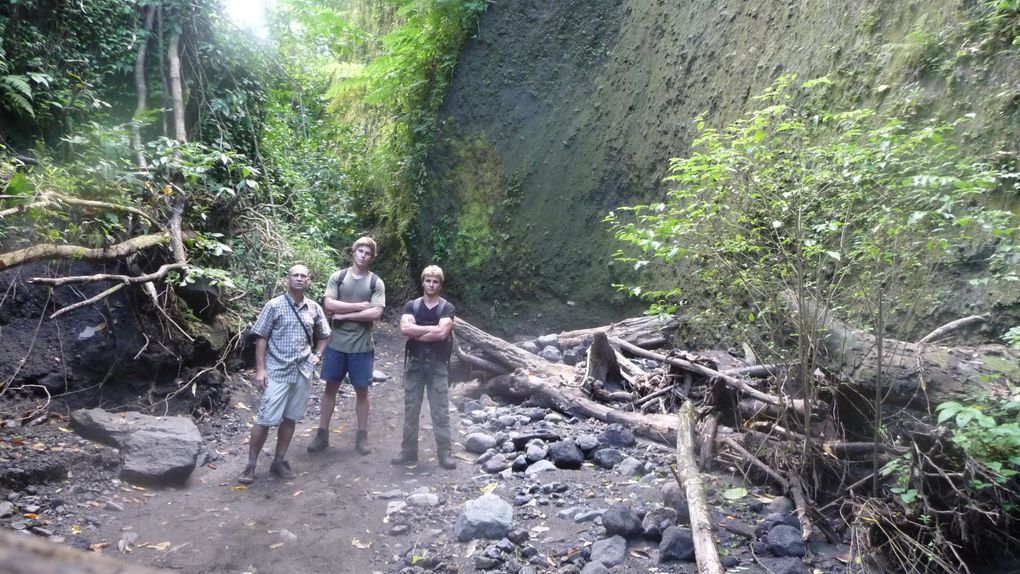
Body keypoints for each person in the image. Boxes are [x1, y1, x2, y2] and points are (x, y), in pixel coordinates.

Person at [238, 264, 330, 484]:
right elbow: (261, 338)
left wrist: (317, 355)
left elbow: (325, 334)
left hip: (303, 372)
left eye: (303, 276)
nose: (299, 279)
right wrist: (261, 369)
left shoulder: (314, 308)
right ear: (287, 279)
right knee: (265, 419)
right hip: (277, 371)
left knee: (290, 418)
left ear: (309, 281)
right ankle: (250, 465)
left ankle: (279, 461)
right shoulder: (274, 305)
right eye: (295, 275)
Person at [307, 236, 385, 456]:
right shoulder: (339, 277)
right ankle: (321, 434)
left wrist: (345, 314)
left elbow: (377, 312)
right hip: (336, 344)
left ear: (371, 257)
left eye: (367, 253)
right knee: (330, 388)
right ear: (353, 252)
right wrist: (359, 308)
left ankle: (362, 437)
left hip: (362, 346)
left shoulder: (375, 282)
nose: (362, 255)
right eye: (360, 251)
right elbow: (329, 304)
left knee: (362, 391)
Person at [391, 265, 457, 469]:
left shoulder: (447, 308)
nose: (431, 284)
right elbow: (404, 329)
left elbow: (441, 334)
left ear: (440, 284)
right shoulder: (412, 306)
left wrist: (417, 332)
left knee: (440, 409)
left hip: (438, 364)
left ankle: (444, 453)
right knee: (411, 407)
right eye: (428, 280)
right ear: (422, 282)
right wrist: (433, 328)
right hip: (415, 363)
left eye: (435, 281)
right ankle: (408, 451)